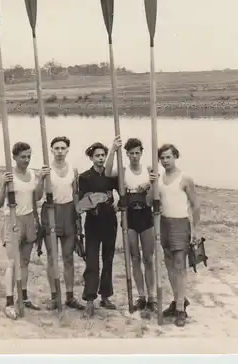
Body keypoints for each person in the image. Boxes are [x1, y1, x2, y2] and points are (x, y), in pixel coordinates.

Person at [105, 136, 157, 314]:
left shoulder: (148, 169)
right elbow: (106, 173)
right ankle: (141, 296)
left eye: (137, 153)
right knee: (134, 258)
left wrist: (150, 183)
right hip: (130, 216)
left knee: (148, 259)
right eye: (131, 153)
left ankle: (152, 297)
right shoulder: (123, 170)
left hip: (145, 216)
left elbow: (157, 185)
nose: (135, 156)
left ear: (142, 153)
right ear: (126, 154)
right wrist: (112, 150)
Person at [0, 141, 44, 320]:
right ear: (14, 158)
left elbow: (37, 197)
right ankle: (9, 302)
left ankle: (23, 297)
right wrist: (3, 185)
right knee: (13, 263)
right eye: (23, 157)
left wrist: (42, 180)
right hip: (12, 220)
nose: (27, 160)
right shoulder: (9, 176)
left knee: (25, 262)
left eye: (29, 156)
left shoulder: (32, 174)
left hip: (29, 220)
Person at [158, 143, 200, 327]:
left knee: (180, 266)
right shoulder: (158, 178)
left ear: (175, 157)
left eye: (168, 157)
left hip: (181, 223)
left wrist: (196, 230)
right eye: (162, 158)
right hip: (164, 223)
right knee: (168, 264)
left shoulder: (185, 179)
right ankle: (177, 301)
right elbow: (150, 198)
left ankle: (181, 310)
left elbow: (195, 205)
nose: (165, 161)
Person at [39, 136, 83, 311]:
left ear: (67, 150)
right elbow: (36, 196)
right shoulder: (46, 170)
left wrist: (78, 218)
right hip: (50, 211)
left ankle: (70, 296)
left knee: (68, 257)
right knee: (52, 257)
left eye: (62, 148)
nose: (59, 151)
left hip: (68, 212)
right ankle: (54, 296)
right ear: (51, 150)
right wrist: (41, 179)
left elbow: (76, 195)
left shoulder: (73, 170)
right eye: (56, 148)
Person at [77, 142, 120, 318]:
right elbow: (82, 203)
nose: (101, 158)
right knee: (92, 262)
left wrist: (119, 202)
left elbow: (122, 194)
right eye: (97, 155)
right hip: (93, 224)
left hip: (110, 221)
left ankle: (105, 296)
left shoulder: (112, 176)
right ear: (91, 158)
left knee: (108, 259)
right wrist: (94, 201)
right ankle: (89, 300)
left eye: (103, 155)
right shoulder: (85, 177)